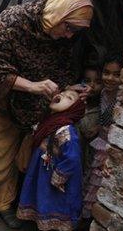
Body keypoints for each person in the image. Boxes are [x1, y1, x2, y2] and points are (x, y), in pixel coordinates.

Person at [0, 0, 93, 228]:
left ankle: (3, 203)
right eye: (68, 28)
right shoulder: (14, 21)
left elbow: (59, 70)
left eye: (75, 32)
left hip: (24, 107)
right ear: (56, 15)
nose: (69, 36)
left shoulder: (60, 39)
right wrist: (34, 86)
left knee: (13, 154)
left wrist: (74, 88)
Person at [16, 89, 86, 231]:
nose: (62, 96)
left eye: (69, 98)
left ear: (74, 109)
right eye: (63, 93)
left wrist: (58, 178)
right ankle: (37, 221)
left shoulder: (66, 131)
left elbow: (72, 158)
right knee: (39, 194)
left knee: (51, 199)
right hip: (42, 170)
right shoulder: (49, 122)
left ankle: (52, 224)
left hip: (53, 175)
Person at [80, 56, 123, 223]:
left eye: (116, 74)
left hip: (109, 150)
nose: (110, 78)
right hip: (97, 146)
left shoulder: (122, 98)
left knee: (95, 189)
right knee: (87, 183)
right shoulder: (104, 93)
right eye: (106, 73)